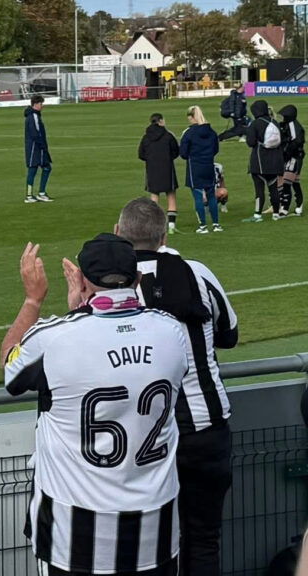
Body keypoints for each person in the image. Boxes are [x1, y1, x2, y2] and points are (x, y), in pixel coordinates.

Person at [2, 236, 190, 576]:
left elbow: (11, 370)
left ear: (84, 280)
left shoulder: (55, 338)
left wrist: (33, 300)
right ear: (137, 279)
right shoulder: (171, 332)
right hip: (156, 529)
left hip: (75, 534)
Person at [116, 198, 238, 576]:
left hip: (140, 438)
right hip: (205, 427)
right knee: (203, 538)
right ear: (164, 235)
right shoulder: (196, 272)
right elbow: (229, 334)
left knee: (144, 545)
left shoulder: (110, 285)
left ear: (119, 234)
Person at [179, 105, 222, 233]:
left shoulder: (188, 133)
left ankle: (202, 226)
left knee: (198, 196)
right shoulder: (211, 132)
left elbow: (183, 153)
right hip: (208, 165)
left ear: (192, 117)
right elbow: (216, 149)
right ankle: (216, 224)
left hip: (195, 167)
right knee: (211, 196)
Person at [244, 99, 285, 222]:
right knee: (274, 188)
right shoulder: (275, 122)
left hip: (260, 161)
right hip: (276, 161)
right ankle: (276, 214)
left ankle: (257, 215)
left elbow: (250, 143)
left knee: (259, 189)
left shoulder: (255, 124)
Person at [138, 113, 181, 233]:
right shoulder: (168, 135)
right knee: (171, 195)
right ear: (161, 121)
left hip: (152, 169)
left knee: (154, 197)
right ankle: (171, 226)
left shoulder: (146, 137)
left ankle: (154, 226)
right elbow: (176, 151)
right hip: (167, 168)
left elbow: (141, 154)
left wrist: (151, 160)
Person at [24, 94, 54, 203]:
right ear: (36, 104)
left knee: (46, 167)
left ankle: (40, 193)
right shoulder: (33, 116)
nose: (42, 106)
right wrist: (42, 146)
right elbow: (35, 133)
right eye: (41, 104)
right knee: (33, 170)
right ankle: (29, 196)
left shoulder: (35, 115)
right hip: (35, 148)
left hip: (38, 147)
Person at [279, 104, 305, 216]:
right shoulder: (288, 125)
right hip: (293, 156)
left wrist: (285, 153)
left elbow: (295, 142)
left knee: (287, 181)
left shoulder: (294, 126)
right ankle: (299, 204)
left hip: (294, 157)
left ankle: (285, 207)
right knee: (294, 182)